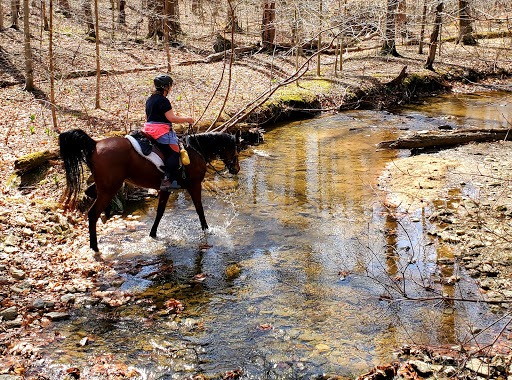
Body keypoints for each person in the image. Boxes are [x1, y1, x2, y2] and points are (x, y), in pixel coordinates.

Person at [143, 74, 194, 191]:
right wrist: (187, 119)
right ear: (166, 87)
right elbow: (171, 118)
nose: (170, 89)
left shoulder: (150, 99)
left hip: (148, 129)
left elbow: (146, 116)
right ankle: (167, 180)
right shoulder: (163, 100)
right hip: (160, 131)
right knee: (174, 152)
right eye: (170, 86)